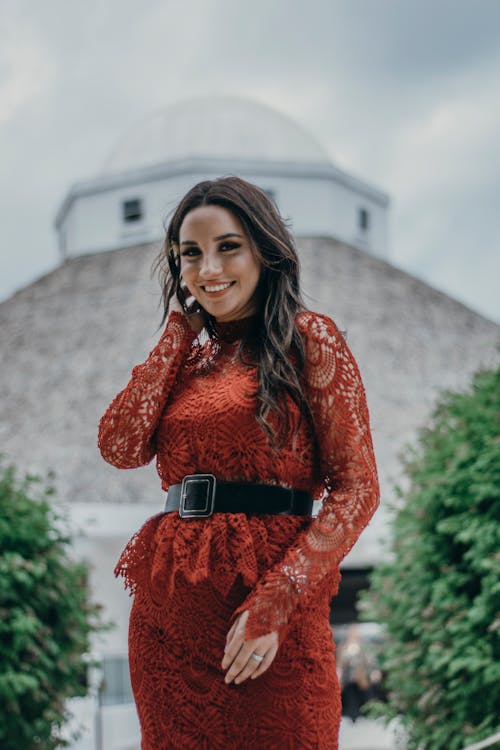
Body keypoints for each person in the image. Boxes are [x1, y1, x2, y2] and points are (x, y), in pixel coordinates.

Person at [98, 176, 379, 749]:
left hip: (269, 625)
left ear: (264, 250)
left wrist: (273, 606)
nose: (208, 268)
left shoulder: (309, 339)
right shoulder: (187, 361)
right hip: (169, 630)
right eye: (190, 254)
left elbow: (358, 489)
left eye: (228, 246)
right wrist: (179, 333)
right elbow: (119, 445)